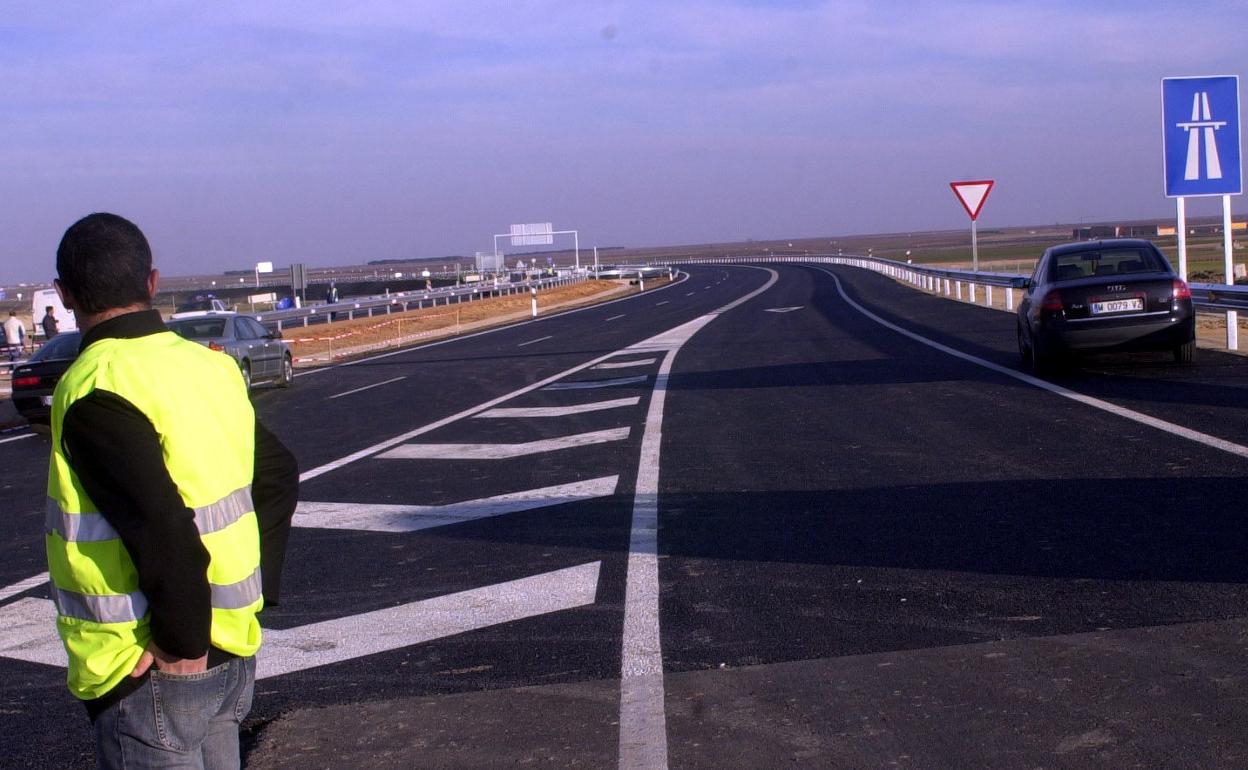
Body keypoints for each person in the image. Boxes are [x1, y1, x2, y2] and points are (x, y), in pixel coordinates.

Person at [45, 213, 299, 769]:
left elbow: (162, 527)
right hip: (229, 650)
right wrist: (249, 597)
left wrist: (180, 643)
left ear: (64, 296)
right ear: (152, 282)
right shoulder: (209, 368)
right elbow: (278, 475)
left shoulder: (94, 384)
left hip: (154, 668)